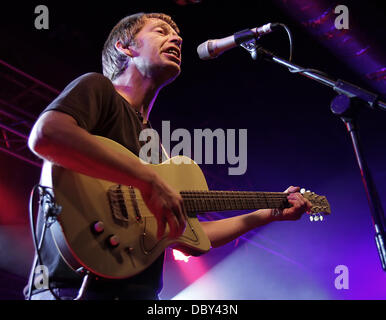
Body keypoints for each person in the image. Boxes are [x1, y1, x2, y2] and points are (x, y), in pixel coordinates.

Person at [25, 12, 312, 300]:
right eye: (161, 31)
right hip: (71, 290)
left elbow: (194, 236)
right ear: (125, 47)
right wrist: (149, 180)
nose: (176, 37)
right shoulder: (98, 88)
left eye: (176, 34)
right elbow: (47, 135)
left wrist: (265, 215)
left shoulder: (155, 147)